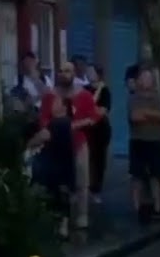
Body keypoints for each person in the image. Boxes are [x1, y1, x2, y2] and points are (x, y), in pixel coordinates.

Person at [40, 62, 98, 229]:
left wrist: (77, 124)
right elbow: (43, 119)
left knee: (82, 179)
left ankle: (82, 215)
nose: (64, 74)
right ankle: (62, 220)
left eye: (67, 71)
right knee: (60, 183)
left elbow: (93, 117)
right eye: (61, 70)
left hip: (78, 142)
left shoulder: (84, 95)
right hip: (56, 145)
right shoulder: (50, 97)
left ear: (74, 74)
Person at [127, 63, 160, 223]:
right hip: (138, 141)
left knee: (156, 176)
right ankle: (136, 208)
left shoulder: (157, 98)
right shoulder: (134, 98)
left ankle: (157, 207)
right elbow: (135, 117)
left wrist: (147, 114)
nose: (147, 81)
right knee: (137, 176)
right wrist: (155, 116)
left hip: (156, 141)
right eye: (144, 78)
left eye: (149, 78)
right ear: (138, 80)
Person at [27, 94, 77, 237]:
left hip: (55, 167)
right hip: (63, 166)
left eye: (56, 103)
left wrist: (28, 144)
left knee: (56, 197)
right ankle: (62, 227)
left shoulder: (58, 123)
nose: (53, 106)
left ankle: (59, 227)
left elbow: (43, 136)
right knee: (62, 197)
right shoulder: (67, 123)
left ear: (63, 107)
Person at [85, 65, 112, 205]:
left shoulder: (105, 91)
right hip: (86, 129)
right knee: (86, 159)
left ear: (98, 74)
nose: (89, 74)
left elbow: (102, 111)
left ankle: (96, 190)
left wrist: (100, 89)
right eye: (88, 71)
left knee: (99, 160)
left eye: (91, 71)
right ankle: (85, 189)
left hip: (101, 130)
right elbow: (86, 108)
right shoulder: (84, 89)